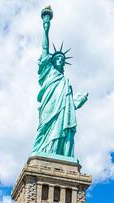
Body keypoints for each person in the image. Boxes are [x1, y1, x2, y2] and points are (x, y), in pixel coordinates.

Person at [31, 7, 88, 158]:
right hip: (49, 105)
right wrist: (46, 28)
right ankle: (44, 152)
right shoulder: (48, 70)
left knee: (62, 127)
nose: (60, 60)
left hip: (61, 109)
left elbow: (69, 105)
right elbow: (44, 48)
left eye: (62, 59)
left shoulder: (66, 80)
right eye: (57, 58)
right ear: (52, 60)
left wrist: (77, 102)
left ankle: (59, 154)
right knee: (45, 127)